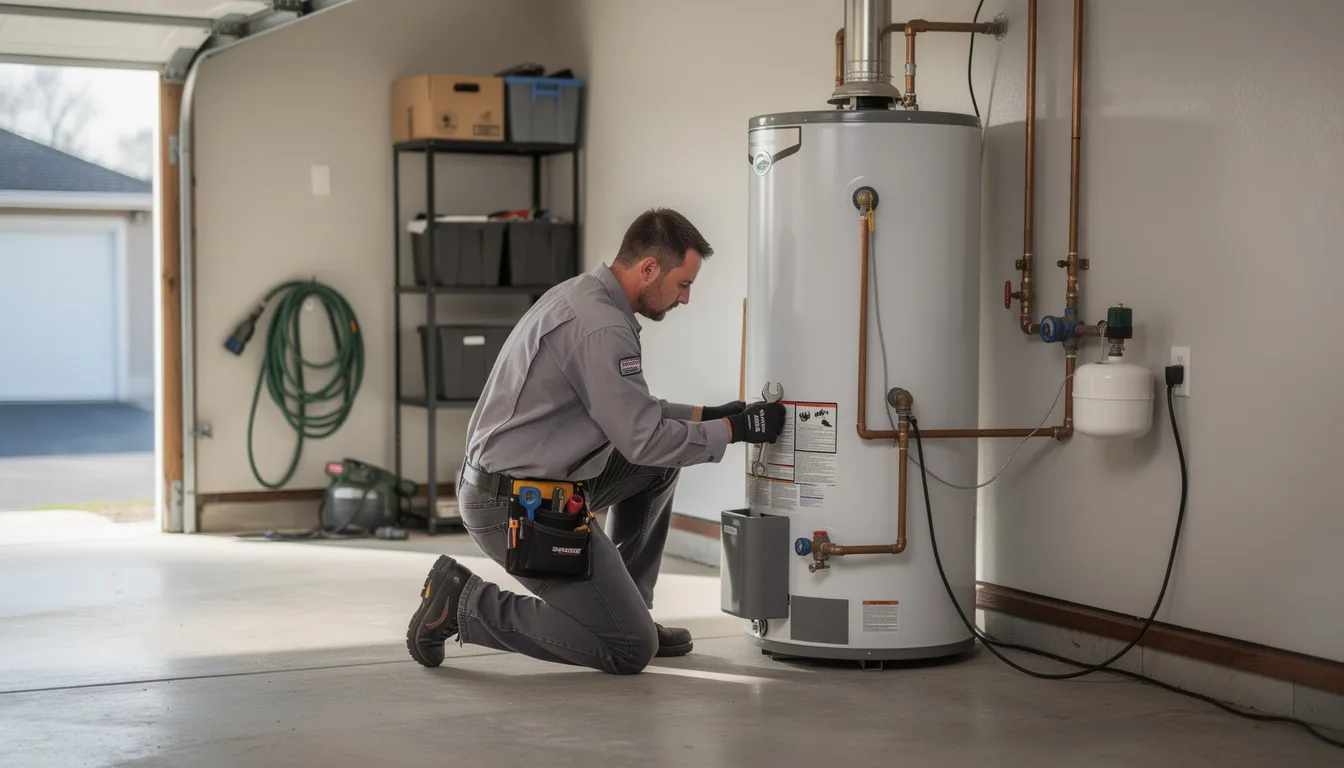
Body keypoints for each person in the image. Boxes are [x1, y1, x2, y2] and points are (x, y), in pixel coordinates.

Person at [405, 207, 787, 675]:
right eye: (683, 284)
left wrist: (708, 415)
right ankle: (463, 603)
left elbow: (628, 412)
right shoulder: (602, 327)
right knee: (628, 649)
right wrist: (735, 430)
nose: (685, 299)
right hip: (514, 506)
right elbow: (643, 439)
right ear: (649, 269)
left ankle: (628, 609)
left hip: (541, 481)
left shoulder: (585, 297)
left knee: (660, 467)